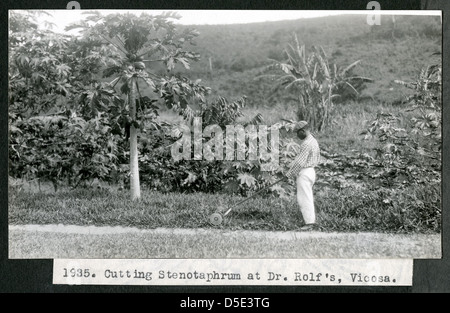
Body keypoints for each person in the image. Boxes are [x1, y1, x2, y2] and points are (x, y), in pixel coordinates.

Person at [285, 121, 321, 231]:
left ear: (303, 131)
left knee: (304, 199)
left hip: (305, 173)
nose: (297, 135)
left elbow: (299, 162)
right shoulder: (313, 141)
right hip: (311, 171)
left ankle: (309, 223)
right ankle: (310, 221)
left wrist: (289, 174)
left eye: (298, 133)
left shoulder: (306, 144)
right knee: (308, 197)